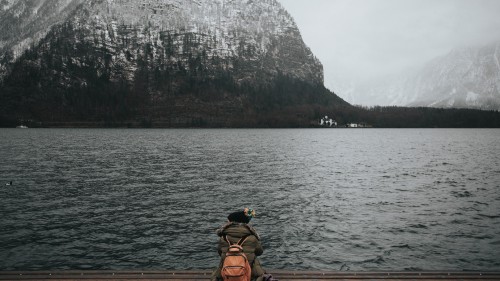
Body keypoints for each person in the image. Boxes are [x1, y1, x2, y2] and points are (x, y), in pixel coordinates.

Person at [211, 208, 265, 281]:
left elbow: (220, 253)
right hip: (247, 273)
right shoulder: (252, 238)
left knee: (223, 259)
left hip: (228, 273)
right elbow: (260, 252)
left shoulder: (223, 238)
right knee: (253, 258)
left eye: (228, 221)